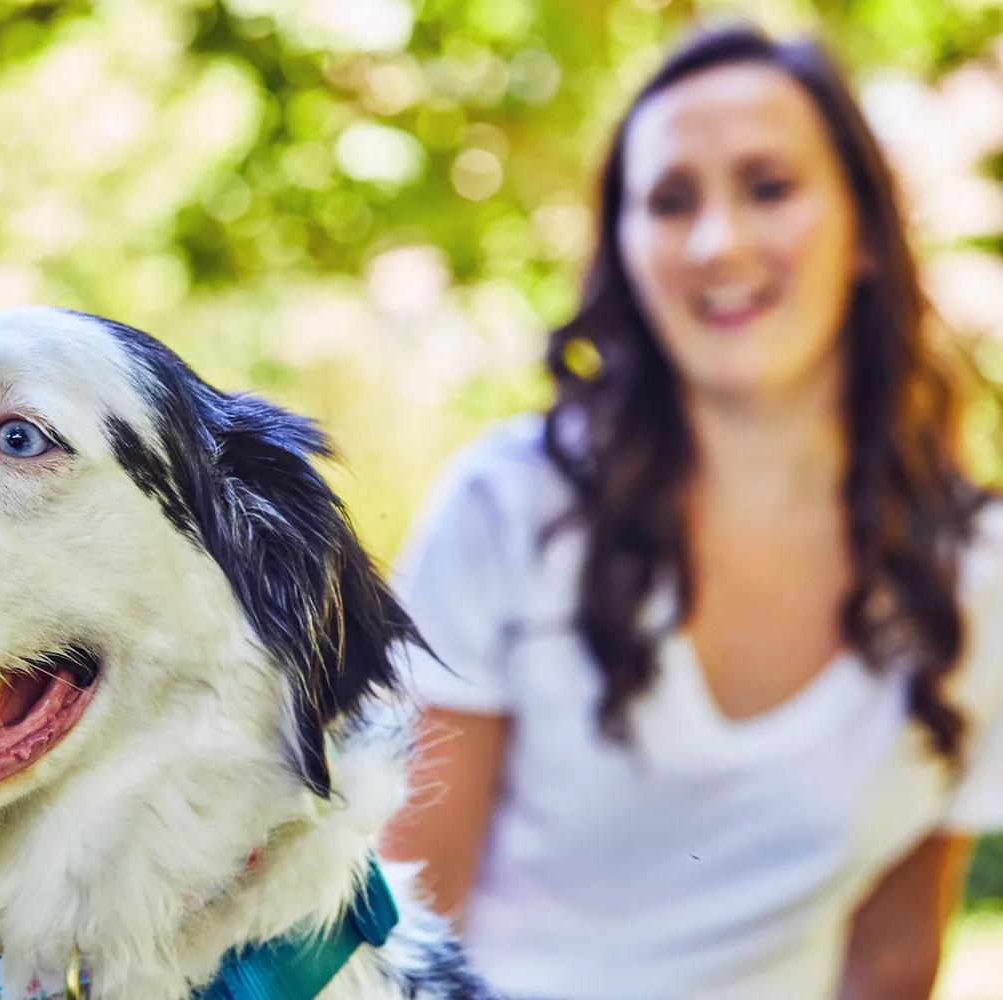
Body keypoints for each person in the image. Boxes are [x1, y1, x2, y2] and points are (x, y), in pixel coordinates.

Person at [381, 23, 1003, 1000]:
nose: (719, 242)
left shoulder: (976, 571)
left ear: (865, 234)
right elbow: (402, 924)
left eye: (768, 186)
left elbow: (891, 959)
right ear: (627, 251)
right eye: (671, 201)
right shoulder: (507, 506)